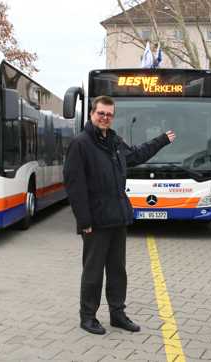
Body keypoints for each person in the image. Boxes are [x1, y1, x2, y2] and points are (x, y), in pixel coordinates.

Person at [63, 95, 176, 335]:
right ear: (92, 114)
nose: (105, 118)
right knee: (93, 272)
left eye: (109, 114)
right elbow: (75, 187)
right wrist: (84, 221)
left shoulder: (114, 141)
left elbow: (135, 155)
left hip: (118, 218)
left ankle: (117, 314)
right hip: (95, 221)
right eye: (101, 113)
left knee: (117, 271)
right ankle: (88, 317)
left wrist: (161, 140)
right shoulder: (81, 144)